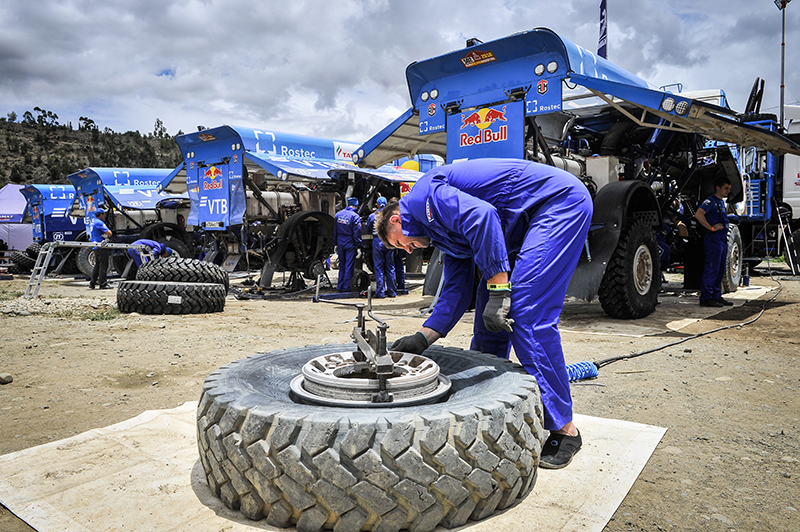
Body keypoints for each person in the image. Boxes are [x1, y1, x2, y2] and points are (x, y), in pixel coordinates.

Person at [375, 158, 592, 469]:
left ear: (396, 220)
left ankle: (565, 429)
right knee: (489, 314)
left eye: (400, 244)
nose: (408, 250)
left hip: (557, 203)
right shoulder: (440, 231)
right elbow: (456, 289)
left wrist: (500, 290)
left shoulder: (423, 198)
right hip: (523, 226)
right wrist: (423, 338)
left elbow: (483, 216)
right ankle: (490, 405)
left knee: (524, 312)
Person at [694, 176, 733, 308]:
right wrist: (710, 227)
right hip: (713, 239)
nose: (728, 191)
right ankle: (706, 297)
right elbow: (698, 215)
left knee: (720, 269)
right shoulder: (710, 201)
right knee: (712, 268)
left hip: (721, 239)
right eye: (726, 188)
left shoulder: (721, 202)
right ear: (718, 188)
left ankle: (716, 295)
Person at [366, 197, 396, 298]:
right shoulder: (390, 215)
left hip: (377, 241)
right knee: (390, 267)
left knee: (379, 267)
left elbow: (367, 228)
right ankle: (392, 291)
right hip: (389, 241)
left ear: (377, 205)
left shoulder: (372, 216)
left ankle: (380, 292)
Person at [333, 197, 362, 292]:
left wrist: (335, 243)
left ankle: (339, 287)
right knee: (349, 266)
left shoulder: (338, 214)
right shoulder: (355, 216)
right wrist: (358, 246)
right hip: (350, 242)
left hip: (340, 242)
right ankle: (346, 288)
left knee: (342, 265)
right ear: (356, 206)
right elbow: (357, 233)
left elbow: (335, 230)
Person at [89, 208, 112, 289]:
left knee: (97, 265)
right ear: (101, 215)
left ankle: (92, 283)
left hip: (95, 246)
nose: (105, 215)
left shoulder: (93, 221)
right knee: (103, 265)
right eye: (104, 214)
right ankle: (103, 284)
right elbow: (109, 233)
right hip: (101, 246)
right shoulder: (99, 223)